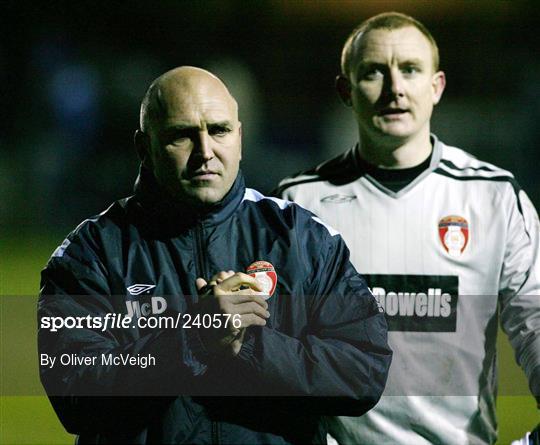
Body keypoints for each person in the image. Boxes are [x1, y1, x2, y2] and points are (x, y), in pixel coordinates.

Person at [38, 66, 391, 444]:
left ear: (239, 137)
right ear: (145, 146)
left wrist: (252, 346)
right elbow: (74, 391)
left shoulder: (303, 239)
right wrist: (193, 337)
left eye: (219, 131)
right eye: (182, 136)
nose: (205, 152)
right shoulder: (92, 252)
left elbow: (364, 373)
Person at [276, 12, 540, 445]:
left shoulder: (494, 197)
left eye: (410, 70)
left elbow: (535, 322)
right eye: (374, 72)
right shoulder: (298, 204)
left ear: (436, 87)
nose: (394, 88)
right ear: (346, 90)